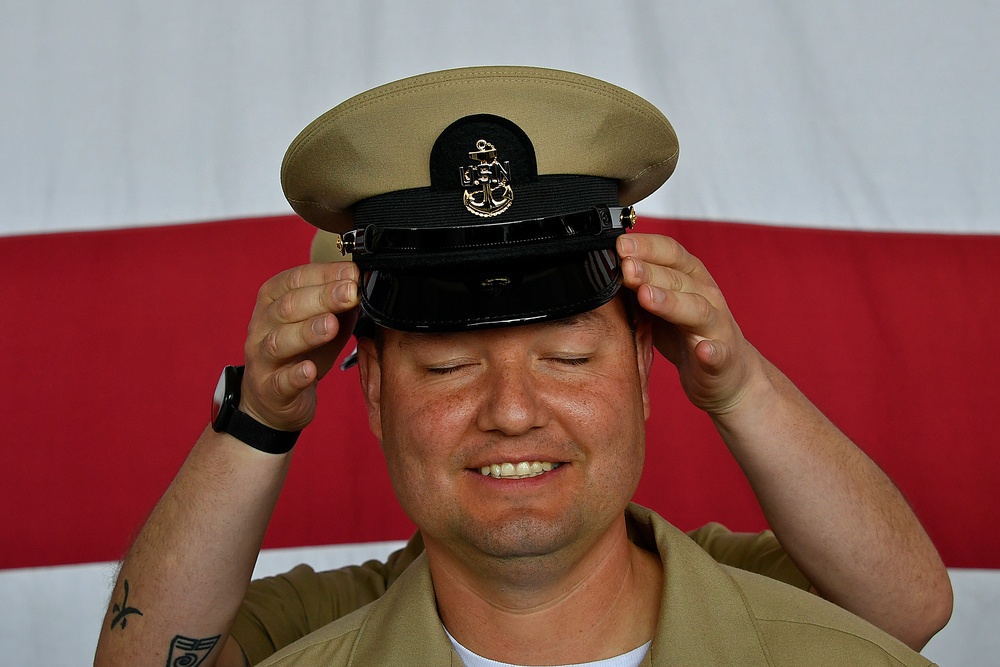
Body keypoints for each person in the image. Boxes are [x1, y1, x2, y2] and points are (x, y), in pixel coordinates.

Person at [94, 66, 950, 667]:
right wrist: (259, 419)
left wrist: (740, 381)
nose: (512, 411)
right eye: (448, 367)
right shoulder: (323, 636)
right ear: (375, 389)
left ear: (648, 370)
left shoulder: (776, 621)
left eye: (569, 355)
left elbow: (903, 614)